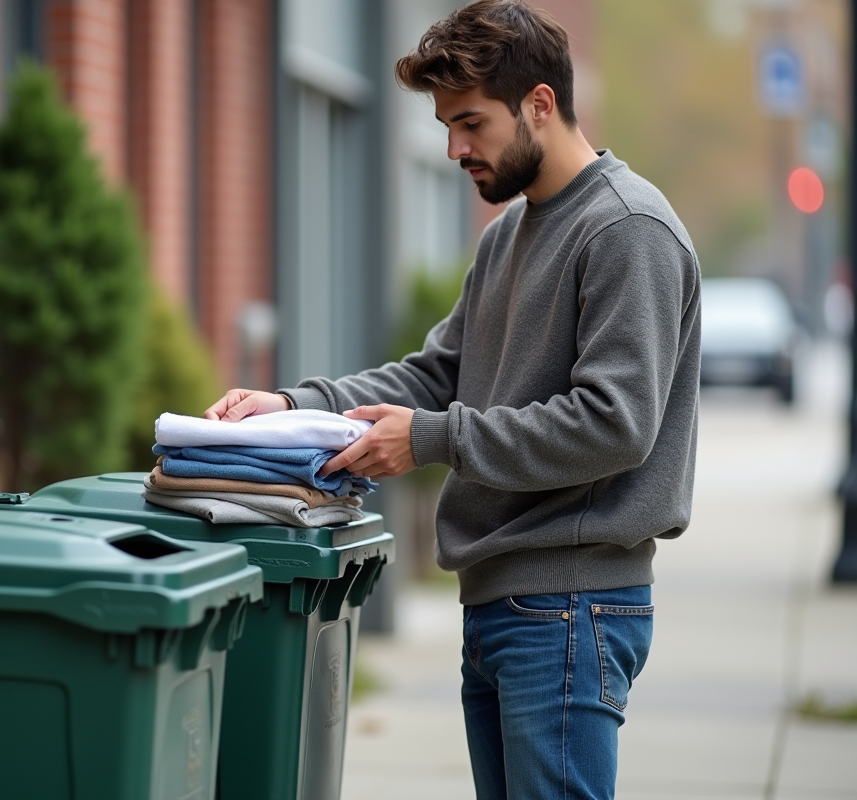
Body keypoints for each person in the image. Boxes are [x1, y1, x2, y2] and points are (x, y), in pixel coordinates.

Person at [204, 1, 701, 798]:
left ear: (540, 103)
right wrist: (294, 404)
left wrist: (432, 440)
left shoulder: (625, 229)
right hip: (506, 602)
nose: (453, 148)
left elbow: (615, 425)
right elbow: (438, 375)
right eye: (445, 124)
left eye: (470, 122)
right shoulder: (509, 234)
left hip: (570, 604)